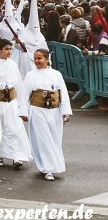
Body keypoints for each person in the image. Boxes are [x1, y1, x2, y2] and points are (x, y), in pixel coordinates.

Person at [19, 49, 72, 181]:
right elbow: (24, 95)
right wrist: (23, 112)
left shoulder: (56, 74)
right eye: (35, 58)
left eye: (40, 58)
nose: (37, 61)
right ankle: (47, 169)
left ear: (47, 59)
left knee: (55, 139)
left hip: (54, 111)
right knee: (43, 140)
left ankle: (55, 166)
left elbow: (63, 93)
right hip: (38, 110)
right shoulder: (31, 75)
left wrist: (66, 111)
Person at [0, 39, 32, 168]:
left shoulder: (13, 65)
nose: (9, 51)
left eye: (10, 49)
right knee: (0, 128)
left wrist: (22, 107)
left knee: (15, 128)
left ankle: (17, 155)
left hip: (11, 102)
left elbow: (19, 86)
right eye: (6, 49)